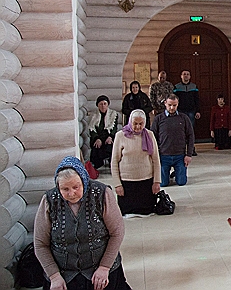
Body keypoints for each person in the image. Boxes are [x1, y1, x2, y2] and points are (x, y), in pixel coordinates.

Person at [34, 156, 131, 290]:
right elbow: (40, 244)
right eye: (65, 189)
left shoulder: (101, 194)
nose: (71, 193)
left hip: (101, 271)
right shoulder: (49, 200)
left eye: (76, 187)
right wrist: (54, 276)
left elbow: (117, 233)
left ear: (84, 181)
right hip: (63, 274)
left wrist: (104, 267)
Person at [111, 110, 161, 217]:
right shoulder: (120, 136)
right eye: (135, 123)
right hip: (127, 182)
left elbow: (156, 160)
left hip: (146, 180)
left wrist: (157, 181)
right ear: (130, 121)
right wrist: (117, 184)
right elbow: (114, 161)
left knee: (147, 211)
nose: (138, 127)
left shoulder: (150, 135)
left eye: (141, 124)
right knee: (127, 212)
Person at [151, 94, 195, 187]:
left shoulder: (184, 118)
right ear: (165, 103)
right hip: (164, 155)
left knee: (181, 182)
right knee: (163, 184)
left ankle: (177, 173)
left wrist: (189, 155)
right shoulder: (158, 118)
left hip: (180, 155)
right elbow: (152, 137)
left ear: (178, 104)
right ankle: (168, 175)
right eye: (169, 105)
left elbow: (190, 136)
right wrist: (155, 155)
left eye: (174, 105)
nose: (172, 108)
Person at [88, 95, 118, 169]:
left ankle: (112, 165)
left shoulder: (113, 114)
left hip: (108, 136)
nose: (103, 106)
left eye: (105, 104)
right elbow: (91, 129)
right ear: (98, 105)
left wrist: (110, 137)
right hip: (98, 137)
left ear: (107, 104)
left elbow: (114, 128)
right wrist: (97, 138)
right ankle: (97, 166)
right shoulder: (94, 115)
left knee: (110, 145)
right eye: (101, 104)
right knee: (96, 146)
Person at [174, 70, 200, 154]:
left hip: (191, 111)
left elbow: (197, 100)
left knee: (190, 130)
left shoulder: (194, 86)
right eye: (184, 74)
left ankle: (191, 148)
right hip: (180, 112)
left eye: (187, 74)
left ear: (190, 76)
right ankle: (181, 148)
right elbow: (174, 100)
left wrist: (198, 111)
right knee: (181, 130)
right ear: (181, 76)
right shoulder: (176, 87)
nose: (186, 76)